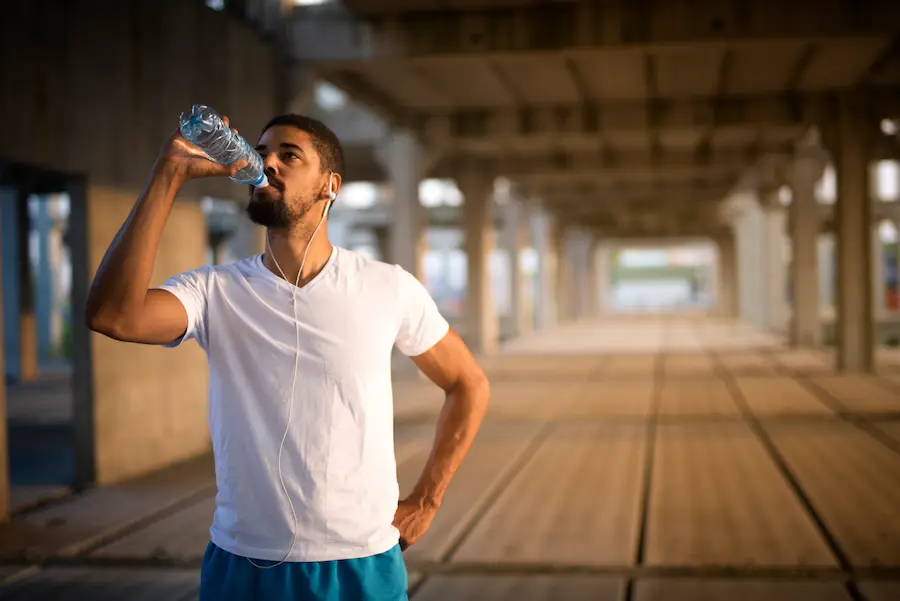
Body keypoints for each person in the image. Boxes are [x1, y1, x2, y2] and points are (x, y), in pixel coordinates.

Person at [85, 113, 490, 600]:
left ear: (330, 185)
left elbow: (468, 384)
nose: (267, 163)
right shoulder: (214, 290)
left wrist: (426, 499)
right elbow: (114, 316)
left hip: (360, 565)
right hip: (244, 564)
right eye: (261, 152)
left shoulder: (388, 286)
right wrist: (167, 175)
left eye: (288, 155)